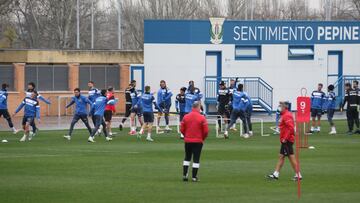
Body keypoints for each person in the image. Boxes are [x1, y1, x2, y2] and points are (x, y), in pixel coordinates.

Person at [268, 101, 302, 181]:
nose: (279, 108)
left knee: (291, 157)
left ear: (284, 108)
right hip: (285, 140)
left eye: (280, 106)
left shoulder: (287, 116)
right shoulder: (285, 115)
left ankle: (298, 175)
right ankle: (276, 174)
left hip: (287, 140)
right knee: (281, 156)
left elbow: (291, 128)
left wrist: (285, 138)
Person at [180, 102, 209, 182]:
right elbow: (206, 131)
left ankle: (185, 175)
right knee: (196, 159)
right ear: (198, 107)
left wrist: (186, 136)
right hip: (198, 141)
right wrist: (202, 138)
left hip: (188, 140)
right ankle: (194, 177)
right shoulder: (202, 118)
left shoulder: (186, 117)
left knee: (187, 157)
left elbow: (181, 129)